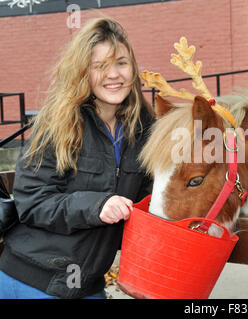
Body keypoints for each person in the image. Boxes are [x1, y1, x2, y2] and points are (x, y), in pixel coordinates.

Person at [0, 17, 154, 299]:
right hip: (32, 279)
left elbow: (151, 200)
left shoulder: (143, 129)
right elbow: (33, 202)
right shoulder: (58, 124)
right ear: (83, 72)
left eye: (121, 62)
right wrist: (97, 206)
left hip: (88, 283)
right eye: (100, 66)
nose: (114, 74)